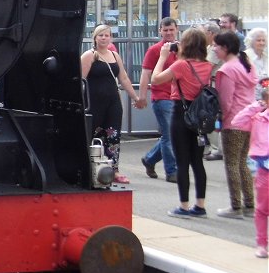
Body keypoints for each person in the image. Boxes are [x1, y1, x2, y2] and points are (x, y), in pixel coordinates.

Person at [151, 27, 213, 218]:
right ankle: (200, 205)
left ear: (185, 45)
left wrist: (162, 57)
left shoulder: (180, 66)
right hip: (199, 116)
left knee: (182, 162)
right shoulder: (208, 65)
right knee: (197, 163)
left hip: (180, 114)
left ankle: (184, 206)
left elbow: (155, 80)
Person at [80, 24, 143, 184]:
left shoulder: (115, 55)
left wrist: (135, 97)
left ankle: (114, 169)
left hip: (113, 101)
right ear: (95, 38)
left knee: (113, 135)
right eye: (100, 35)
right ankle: (89, 167)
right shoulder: (89, 55)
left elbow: (123, 78)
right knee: (93, 134)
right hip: (94, 102)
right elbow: (81, 80)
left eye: (106, 35)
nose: (103, 38)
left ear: (111, 38)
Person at [212, 32, 257, 218]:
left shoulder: (227, 70)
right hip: (250, 120)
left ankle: (235, 206)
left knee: (231, 163)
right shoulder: (247, 65)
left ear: (225, 48)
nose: (214, 49)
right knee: (243, 163)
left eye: (216, 46)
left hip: (234, 121)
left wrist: (219, 120)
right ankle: (249, 204)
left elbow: (225, 102)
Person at [230, 86, 269, 258]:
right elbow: (236, 122)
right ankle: (261, 243)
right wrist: (255, 106)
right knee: (262, 209)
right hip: (264, 170)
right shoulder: (258, 118)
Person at [138, 17, 177, 182]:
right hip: (162, 98)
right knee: (170, 136)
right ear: (160, 31)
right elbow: (146, 74)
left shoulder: (182, 49)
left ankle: (149, 159)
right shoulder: (155, 50)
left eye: (171, 30)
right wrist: (141, 96)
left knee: (171, 136)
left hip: (178, 98)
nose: (168, 33)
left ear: (176, 30)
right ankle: (172, 171)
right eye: (165, 30)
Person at [201, 21, 224, 161]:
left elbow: (207, 67)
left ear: (210, 33)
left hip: (214, 86)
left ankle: (216, 148)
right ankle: (212, 147)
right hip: (212, 84)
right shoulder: (211, 46)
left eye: (204, 33)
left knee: (213, 116)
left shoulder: (216, 48)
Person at [245, 27, 267, 100]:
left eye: (263, 40)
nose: (262, 43)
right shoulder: (245, 57)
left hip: (266, 99)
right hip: (250, 99)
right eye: (258, 40)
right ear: (251, 41)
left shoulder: (267, 56)